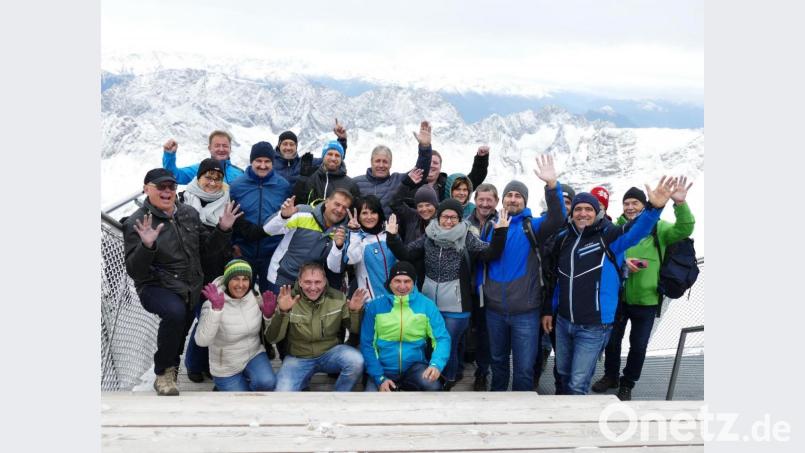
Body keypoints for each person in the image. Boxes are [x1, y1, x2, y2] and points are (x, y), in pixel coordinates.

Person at [542, 176, 678, 395]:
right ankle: (563, 413)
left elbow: (637, 230)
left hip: (593, 325)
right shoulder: (564, 239)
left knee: (577, 383)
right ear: (572, 213)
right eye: (578, 209)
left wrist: (654, 208)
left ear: (598, 212)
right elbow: (560, 279)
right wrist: (551, 310)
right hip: (564, 321)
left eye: (589, 209)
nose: (583, 213)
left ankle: (576, 417)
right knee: (563, 373)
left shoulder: (609, 237)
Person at [122, 168, 238, 396]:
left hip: (190, 284)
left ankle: (172, 367)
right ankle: (163, 372)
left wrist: (223, 230)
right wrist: (146, 247)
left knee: (181, 327)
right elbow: (136, 271)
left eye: (171, 187)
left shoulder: (188, 214)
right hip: (155, 285)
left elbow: (206, 250)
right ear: (146, 189)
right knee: (175, 313)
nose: (167, 191)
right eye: (161, 187)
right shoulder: (138, 222)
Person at [386, 199, 509, 390]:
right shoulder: (429, 236)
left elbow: (490, 253)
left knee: (447, 345)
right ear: (438, 217)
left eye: (454, 217)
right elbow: (406, 254)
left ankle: (447, 380)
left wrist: (500, 232)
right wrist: (393, 237)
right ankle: (434, 380)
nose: (449, 221)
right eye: (445, 216)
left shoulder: (467, 236)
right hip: (430, 303)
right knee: (431, 345)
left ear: (460, 219)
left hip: (457, 305)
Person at [591, 178, 695, 400]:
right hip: (619, 298)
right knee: (612, 342)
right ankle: (611, 376)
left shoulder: (660, 228)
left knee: (638, 346)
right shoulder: (617, 228)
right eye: (626, 203)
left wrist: (680, 204)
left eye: (635, 203)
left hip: (647, 300)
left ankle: (628, 382)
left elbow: (685, 228)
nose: (630, 207)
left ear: (644, 205)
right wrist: (623, 263)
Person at [179, 158, 270, 383]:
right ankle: (195, 364)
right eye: (207, 177)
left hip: (221, 271)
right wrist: (223, 229)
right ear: (198, 177)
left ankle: (208, 363)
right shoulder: (184, 202)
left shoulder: (227, 203)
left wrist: (277, 223)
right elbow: (201, 246)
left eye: (217, 178)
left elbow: (245, 229)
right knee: (204, 318)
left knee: (214, 317)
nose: (212, 182)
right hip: (195, 272)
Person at [480, 155, 566, 391]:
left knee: (524, 368)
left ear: (525, 201)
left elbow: (558, 217)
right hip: (494, 310)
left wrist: (552, 186)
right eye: (509, 195)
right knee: (497, 363)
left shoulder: (533, 226)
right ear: (502, 200)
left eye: (518, 196)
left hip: (525, 313)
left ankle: (522, 406)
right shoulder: (491, 227)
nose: (513, 199)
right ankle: (497, 401)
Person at [265, 263, 368, 391]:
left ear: (324, 282)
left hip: (330, 354)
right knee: (282, 392)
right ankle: (303, 382)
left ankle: (340, 395)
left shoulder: (338, 298)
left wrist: (355, 312)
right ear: (300, 282)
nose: (313, 287)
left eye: (318, 282)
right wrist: (282, 312)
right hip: (298, 358)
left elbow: (354, 329)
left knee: (356, 361)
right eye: (308, 282)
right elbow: (272, 338)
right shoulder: (288, 299)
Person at [360, 261, 451, 391]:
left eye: (407, 281)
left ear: (414, 283)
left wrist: (436, 364)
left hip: (415, 368)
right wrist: (379, 377)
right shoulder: (375, 307)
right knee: (371, 401)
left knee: (433, 388)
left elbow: (442, 338)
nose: (402, 286)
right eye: (397, 281)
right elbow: (367, 344)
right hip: (382, 369)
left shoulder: (427, 305)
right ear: (390, 283)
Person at [194, 259, 278, 391]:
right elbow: (202, 341)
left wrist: (268, 316)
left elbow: (270, 334)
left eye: (245, 279)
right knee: (240, 399)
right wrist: (216, 311)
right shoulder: (213, 302)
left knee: (267, 383)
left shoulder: (254, 295)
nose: (241, 284)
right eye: (235, 279)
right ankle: (223, 386)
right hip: (226, 366)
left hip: (253, 355)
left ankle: (245, 379)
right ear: (227, 280)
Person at [229, 141, 292, 293]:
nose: (263, 165)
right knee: (242, 297)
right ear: (252, 161)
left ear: (273, 162)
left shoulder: (283, 186)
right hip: (244, 252)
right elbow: (231, 218)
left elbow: (287, 218)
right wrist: (233, 245)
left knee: (272, 298)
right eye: (258, 161)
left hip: (273, 253)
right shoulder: (237, 186)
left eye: (267, 161)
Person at [264, 188, 353, 290]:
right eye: (337, 204)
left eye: (344, 208)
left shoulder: (344, 232)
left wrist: (338, 247)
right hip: (282, 278)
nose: (340, 210)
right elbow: (268, 229)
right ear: (327, 202)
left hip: (311, 285)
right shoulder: (302, 212)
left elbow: (335, 268)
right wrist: (283, 216)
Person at [353, 121, 433, 217]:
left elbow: (420, 172)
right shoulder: (356, 183)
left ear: (390, 164)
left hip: (392, 226)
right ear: (371, 162)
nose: (381, 165)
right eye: (377, 161)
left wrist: (425, 147)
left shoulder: (398, 180)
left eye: (385, 162)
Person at [466, 183, 500, 391]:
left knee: (486, 335)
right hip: (466, 285)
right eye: (481, 199)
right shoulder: (465, 222)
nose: (485, 204)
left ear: (496, 201)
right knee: (465, 330)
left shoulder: (501, 222)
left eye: (489, 200)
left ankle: (482, 372)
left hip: (490, 288)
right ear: (475, 200)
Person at [345, 195, 396, 301]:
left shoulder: (389, 233)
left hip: (395, 298)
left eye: (373, 212)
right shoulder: (357, 237)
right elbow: (351, 260)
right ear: (358, 216)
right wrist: (354, 233)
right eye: (364, 213)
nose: (369, 217)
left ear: (379, 214)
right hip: (370, 301)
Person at [273, 119, 349, 187]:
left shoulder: (305, 163)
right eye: (285, 144)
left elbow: (331, 160)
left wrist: (342, 139)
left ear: (296, 147)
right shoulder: (270, 163)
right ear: (279, 146)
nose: (288, 148)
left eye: (292, 144)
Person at [292, 140, 360, 206]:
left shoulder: (350, 184)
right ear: (323, 156)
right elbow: (298, 203)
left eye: (337, 155)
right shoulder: (311, 178)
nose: (333, 158)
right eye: (330, 154)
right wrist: (302, 179)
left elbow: (354, 208)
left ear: (341, 159)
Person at [162, 130, 244, 184]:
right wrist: (169, 155)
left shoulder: (240, 173)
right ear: (210, 148)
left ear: (230, 149)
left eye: (225, 146)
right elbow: (175, 176)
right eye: (217, 146)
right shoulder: (199, 169)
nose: (221, 149)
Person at [389, 169, 439, 245]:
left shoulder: (442, 221)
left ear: (435, 205)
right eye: (420, 206)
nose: (424, 209)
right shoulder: (412, 216)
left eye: (428, 205)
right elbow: (394, 203)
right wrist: (406, 183)